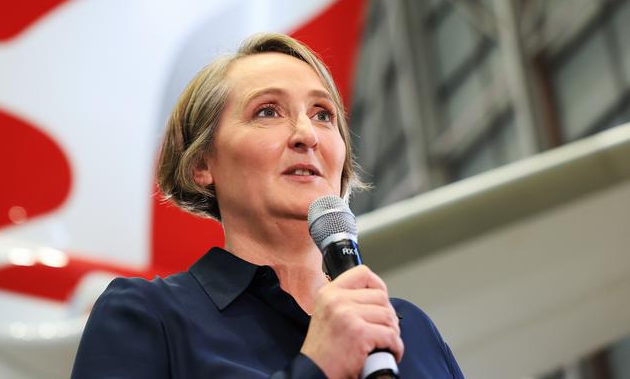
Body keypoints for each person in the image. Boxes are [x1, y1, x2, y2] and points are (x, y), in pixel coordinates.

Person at [71, 33, 464, 378]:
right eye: (267, 111)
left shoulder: (410, 328)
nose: (306, 134)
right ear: (201, 164)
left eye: (323, 115)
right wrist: (317, 367)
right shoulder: (147, 317)